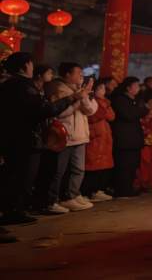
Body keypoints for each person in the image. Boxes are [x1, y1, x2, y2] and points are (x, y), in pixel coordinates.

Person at [0, 53, 86, 225]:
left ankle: (14, 210)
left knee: (17, 176)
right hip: (25, 138)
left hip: (15, 138)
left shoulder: (10, 85)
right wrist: (71, 99)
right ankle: (13, 212)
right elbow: (43, 109)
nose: (33, 67)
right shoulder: (23, 86)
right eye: (32, 64)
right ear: (25, 66)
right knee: (22, 177)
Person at [44, 63, 97, 212]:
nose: (81, 75)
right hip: (65, 135)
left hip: (80, 134)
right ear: (67, 74)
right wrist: (77, 99)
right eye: (78, 72)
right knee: (59, 171)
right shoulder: (58, 88)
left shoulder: (78, 89)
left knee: (78, 169)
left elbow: (91, 110)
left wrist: (84, 95)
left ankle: (72, 195)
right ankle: (53, 200)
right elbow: (60, 113)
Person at [110, 77, 147, 197]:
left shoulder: (135, 100)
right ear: (128, 88)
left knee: (133, 165)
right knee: (124, 166)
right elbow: (129, 115)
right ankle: (122, 190)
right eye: (136, 86)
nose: (138, 88)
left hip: (134, 139)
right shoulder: (120, 100)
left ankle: (129, 188)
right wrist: (142, 110)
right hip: (124, 139)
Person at [82, 79, 115, 202]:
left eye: (104, 88)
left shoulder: (105, 102)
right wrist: (104, 107)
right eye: (100, 88)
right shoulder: (92, 101)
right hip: (94, 136)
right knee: (92, 165)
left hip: (104, 137)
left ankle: (97, 190)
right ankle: (87, 192)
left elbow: (111, 116)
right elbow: (95, 116)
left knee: (103, 165)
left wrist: (105, 106)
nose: (103, 91)